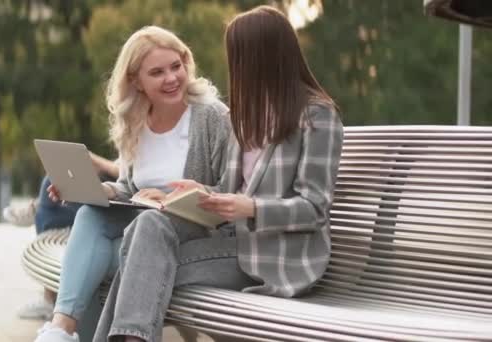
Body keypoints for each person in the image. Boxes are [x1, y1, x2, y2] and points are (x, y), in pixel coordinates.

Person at [92, 5, 344, 342]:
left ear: (265, 57)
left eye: (239, 56)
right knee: (148, 225)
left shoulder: (316, 117)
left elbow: (314, 208)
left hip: (277, 258)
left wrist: (251, 208)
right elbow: (229, 189)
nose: (235, 66)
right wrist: (197, 193)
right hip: (233, 246)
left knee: (140, 268)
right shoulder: (249, 114)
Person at [33, 25, 231, 342]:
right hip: (140, 230)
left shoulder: (212, 117)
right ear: (136, 81)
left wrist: (170, 199)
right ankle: (60, 329)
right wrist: (94, 191)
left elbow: (229, 194)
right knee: (89, 215)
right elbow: (128, 187)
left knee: (96, 265)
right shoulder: (136, 121)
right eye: (157, 72)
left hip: (191, 238)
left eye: (176, 66)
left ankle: (61, 332)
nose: (171, 78)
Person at [11, 153, 119, 320]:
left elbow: (125, 171)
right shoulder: (139, 133)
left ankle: (35, 209)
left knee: (56, 204)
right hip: (115, 190)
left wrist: (92, 159)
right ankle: (38, 208)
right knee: (54, 178)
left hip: (125, 202)